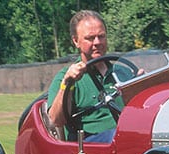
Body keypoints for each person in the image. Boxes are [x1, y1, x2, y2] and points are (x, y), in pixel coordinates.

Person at [47, 10, 121, 143]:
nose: (97, 42)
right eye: (90, 38)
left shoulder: (122, 72)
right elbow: (55, 120)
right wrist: (67, 83)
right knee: (118, 136)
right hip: (90, 146)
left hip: (128, 136)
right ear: (76, 41)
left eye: (101, 36)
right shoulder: (65, 77)